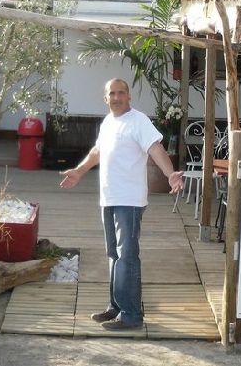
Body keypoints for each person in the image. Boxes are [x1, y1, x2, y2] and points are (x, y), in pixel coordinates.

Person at [59, 78, 184, 330]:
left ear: (129, 96)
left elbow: (156, 149)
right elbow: (97, 152)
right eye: (112, 94)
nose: (116, 98)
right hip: (110, 198)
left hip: (130, 200)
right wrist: (80, 171)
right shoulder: (108, 122)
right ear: (106, 99)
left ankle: (131, 315)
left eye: (121, 93)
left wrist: (170, 173)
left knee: (127, 256)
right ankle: (116, 306)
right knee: (114, 255)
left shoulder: (138, 121)